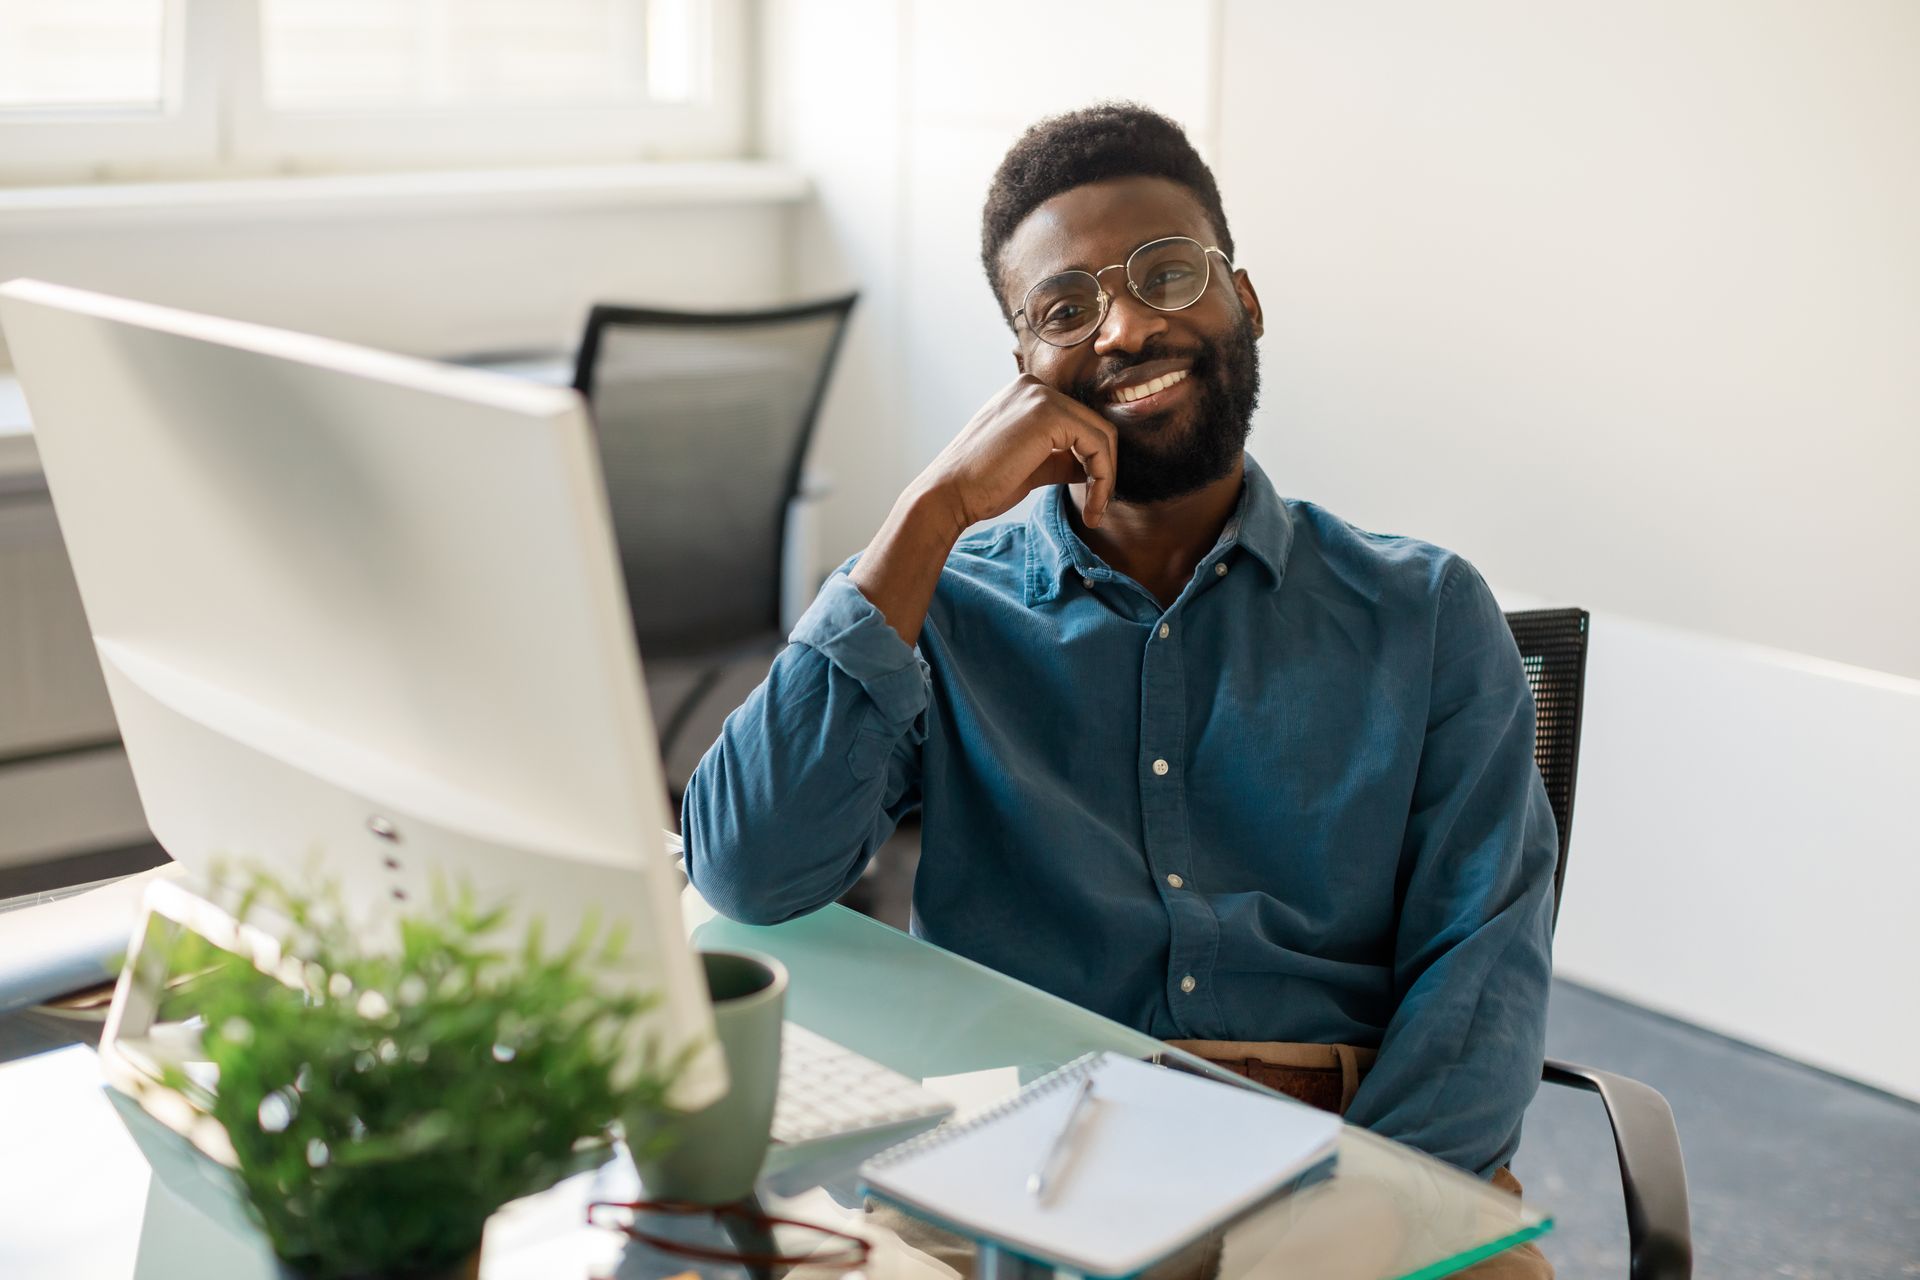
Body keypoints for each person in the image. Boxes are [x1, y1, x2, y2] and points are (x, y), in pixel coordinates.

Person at [683, 102, 1556, 1278]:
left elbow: (1481, 980)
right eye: (1066, 307)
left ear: (1244, 299)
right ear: (1023, 370)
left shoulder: (1429, 611)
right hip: (1007, 1164)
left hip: (1336, 1161)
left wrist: (1356, 1216)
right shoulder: (937, 601)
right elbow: (747, 865)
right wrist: (929, 512)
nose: (1128, 324)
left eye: (1166, 272)